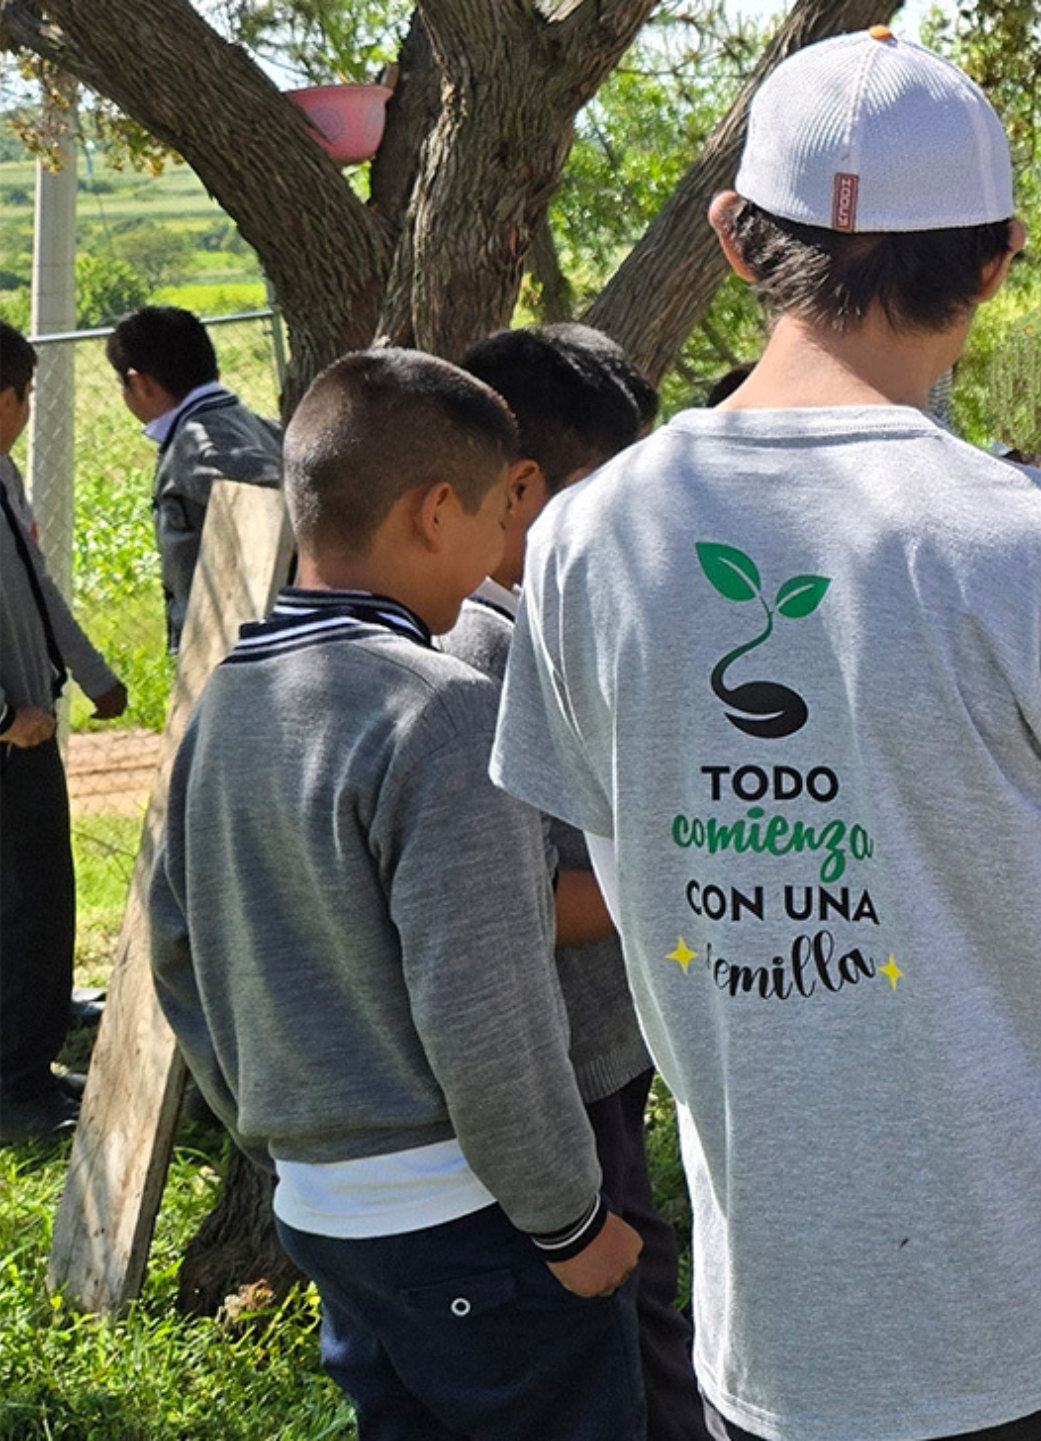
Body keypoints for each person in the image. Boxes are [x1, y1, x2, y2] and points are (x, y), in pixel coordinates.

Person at [490, 31, 1041, 1441]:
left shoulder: (588, 538)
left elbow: (647, 885)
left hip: (783, 1329)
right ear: (1000, 257)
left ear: (729, 237)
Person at [148, 348, 645, 1438]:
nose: (490, 560)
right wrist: (571, 1222)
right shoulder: (444, 712)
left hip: (325, 1213)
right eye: (486, 521)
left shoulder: (223, 705)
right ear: (433, 511)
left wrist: (285, 1141)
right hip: (475, 1218)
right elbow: (489, 1016)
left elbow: (177, 953)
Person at [449, 323, 705, 1440]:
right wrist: (679, 872)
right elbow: (501, 905)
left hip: (605, 1041)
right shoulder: (484, 651)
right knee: (626, 1317)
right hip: (558, 1067)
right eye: (614, 493)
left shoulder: (554, 616)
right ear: (521, 486)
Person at [0, 321, 126, 1141]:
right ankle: (13, 1091)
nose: (26, 411)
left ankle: (32, 1066)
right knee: (17, 910)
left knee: (46, 901)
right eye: (26, 396)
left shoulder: (3, 475)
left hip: (29, 737)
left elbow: (38, 591)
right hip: (10, 738)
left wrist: (94, 674)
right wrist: (5, 717)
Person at [104, 306, 284, 651]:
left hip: (232, 647)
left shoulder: (198, 445)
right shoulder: (249, 423)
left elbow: (283, 490)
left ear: (138, 382)